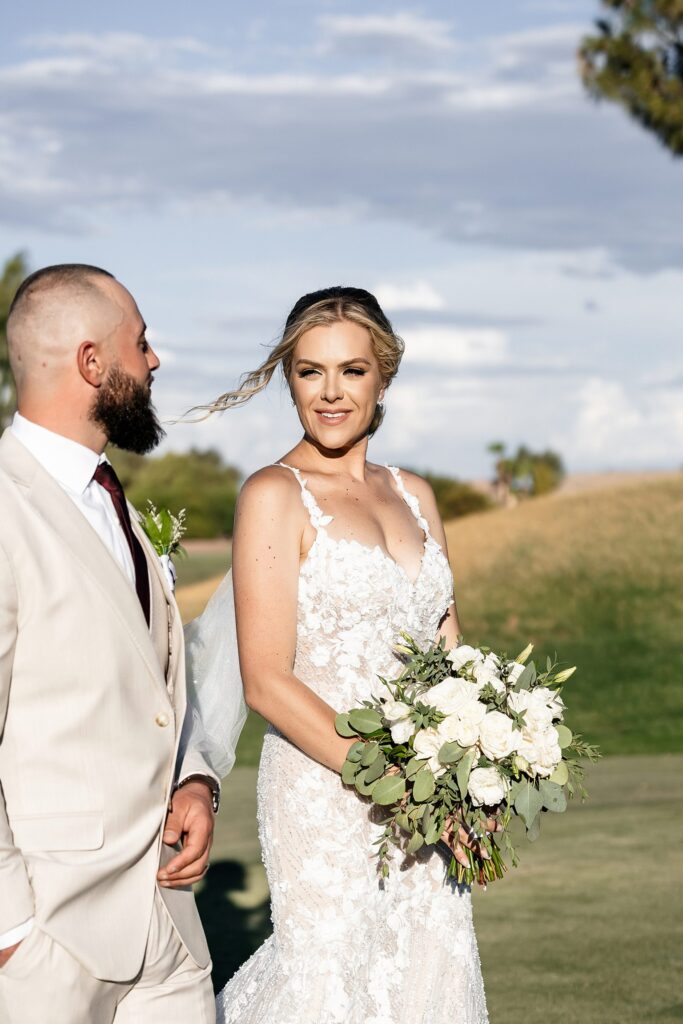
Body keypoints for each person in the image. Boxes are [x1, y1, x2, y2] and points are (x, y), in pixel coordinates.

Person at [210, 287, 490, 1023]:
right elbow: (266, 682)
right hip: (325, 790)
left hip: (428, 795)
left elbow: (446, 649)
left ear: (384, 377)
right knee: (330, 980)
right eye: (309, 372)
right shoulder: (273, 494)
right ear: (289, 380)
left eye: (351, 371)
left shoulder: (416, 494)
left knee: (427, 968)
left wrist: (468, 786)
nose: (330, 393)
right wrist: (401, 787)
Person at [0, 264, 219, 1023]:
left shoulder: (112, 501)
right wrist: (12, 931)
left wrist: (194, 779)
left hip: (167, 926)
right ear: (92, 363)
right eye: (141, 342)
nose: (153, 361)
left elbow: (150, 684)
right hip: (52, 942)